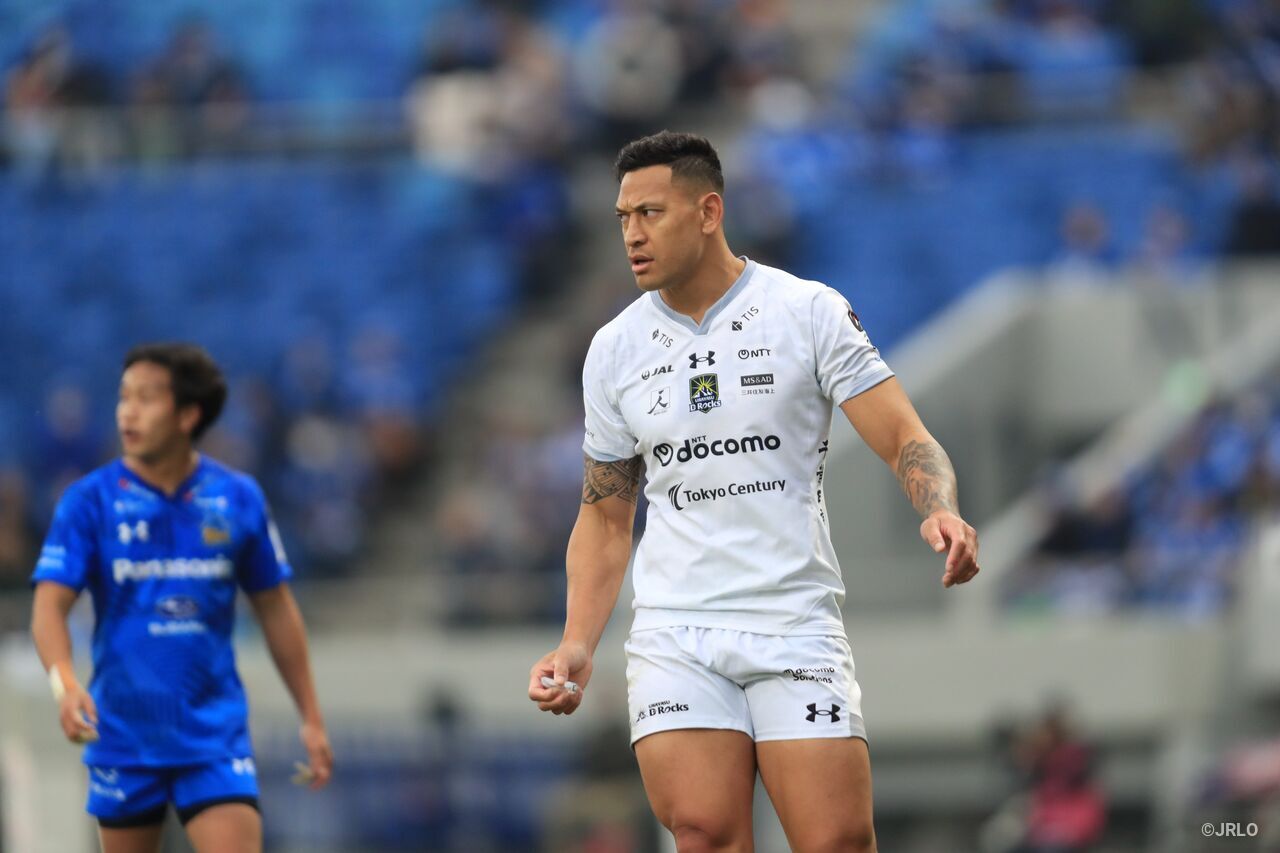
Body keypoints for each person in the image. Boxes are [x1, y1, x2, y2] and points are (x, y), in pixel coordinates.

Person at [527, 131, 980, 852]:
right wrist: (577, 641)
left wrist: (941, 508)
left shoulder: (808, 312)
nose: (632, 235)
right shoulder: (614, 350)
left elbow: (904, 437)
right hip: (676, 628)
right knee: (704, 833)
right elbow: (607, 516)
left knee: (835, 840)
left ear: (709, 212)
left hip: (791, 617)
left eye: (651, 213)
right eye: (623, 218)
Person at [30, 343, 333, 853]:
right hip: (124, 734)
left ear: (188, 415)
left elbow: (276, 608)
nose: (127, 412)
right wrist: (64, 682)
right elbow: (48, 606)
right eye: (124, 396)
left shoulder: (237, 497)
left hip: (213, 736)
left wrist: (311, 716)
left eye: (146, 398)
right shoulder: (89, 501)